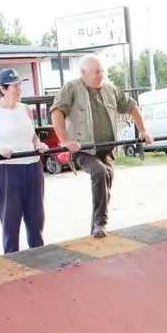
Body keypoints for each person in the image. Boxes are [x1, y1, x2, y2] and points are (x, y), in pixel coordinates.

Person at [50, 55, 153, 238]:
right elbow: (57, 112)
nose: (100, 75)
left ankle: (96, 229)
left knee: (105, 184)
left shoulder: (110, 89)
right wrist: (65, 141)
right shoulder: (72, 88)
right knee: (99, 173)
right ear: (84, 73)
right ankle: (101, 222)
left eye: (102, 71)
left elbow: (131, 106)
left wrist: (143, 131)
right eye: (96, 72)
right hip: (84, 150)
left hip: (108, 149)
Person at [0, 68, 50, 254]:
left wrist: (39, 144)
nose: (19, 89)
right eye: (14, 86)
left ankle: (38, 255)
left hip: (32, 166)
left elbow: (32, 137)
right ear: (2, 88)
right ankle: (12, 259)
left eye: (20, 85)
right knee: (11, 220)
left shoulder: (25, 108)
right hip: (8, 170)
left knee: (36, 218)